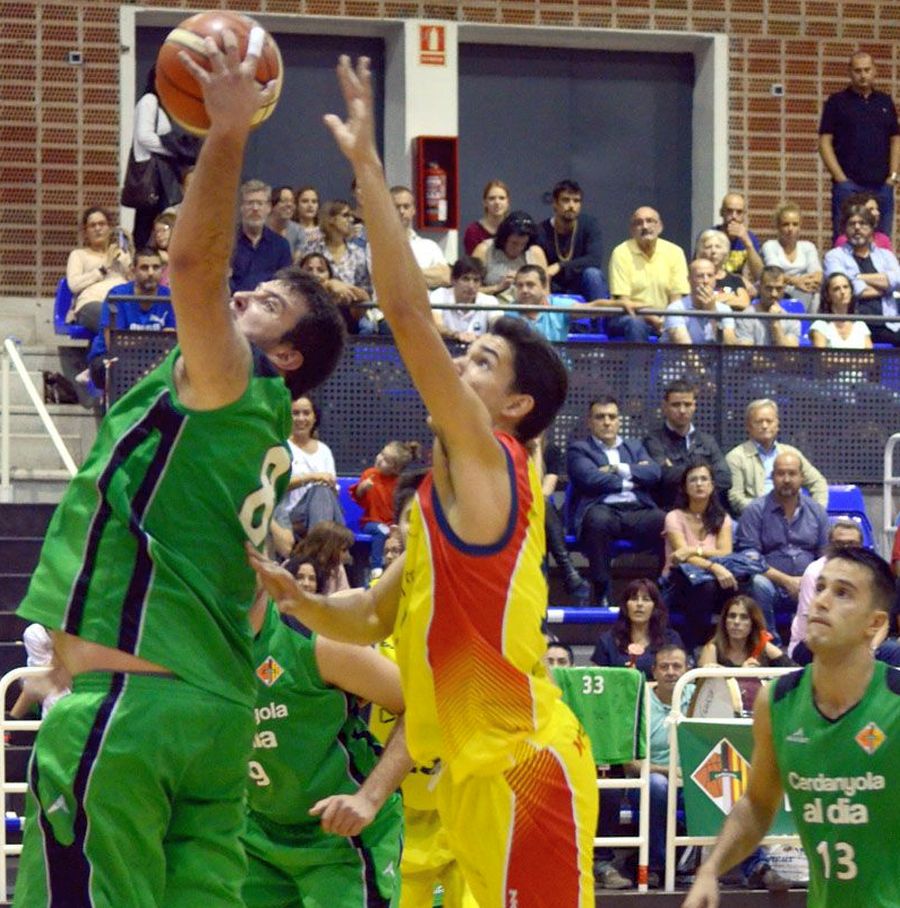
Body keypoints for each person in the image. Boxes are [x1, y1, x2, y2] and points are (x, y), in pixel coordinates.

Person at [248, 56, 598, 908]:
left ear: (512, 405)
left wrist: (368, 169)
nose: (458, 363)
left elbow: (406, 316)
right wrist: (287, 597)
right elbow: (370, 616)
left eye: (479, 359)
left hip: (522, 766)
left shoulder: (491, 461)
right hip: (464, 773)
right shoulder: (440, 515)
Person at [12, 31, 345, 907]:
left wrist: (227, 132)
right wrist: (72, 660)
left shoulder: (234, 382)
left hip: (139, 719)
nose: (242, 298)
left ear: (290, 357)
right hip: (213, 720)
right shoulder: (266, 436)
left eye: (266, 302)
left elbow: (194, 266)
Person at [683, 547, 900, 908]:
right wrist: (711, 869)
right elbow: (757, 804)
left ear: (875, 624)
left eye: (843, 593)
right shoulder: (778, 702)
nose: (822, 601)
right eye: (822, 587)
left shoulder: (895, 701)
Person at [242, 582, 410, 908]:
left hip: (343, 837)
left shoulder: (316, 640)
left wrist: (369, 798)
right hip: (258, 835)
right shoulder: (202, 653)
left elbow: (419, 705)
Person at [567, 396, 665, 606]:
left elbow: (654, 473)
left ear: (619, 420)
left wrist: (617, 469)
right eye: (600, 417)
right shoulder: (579, 449)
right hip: (602, 509)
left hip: (637, 510)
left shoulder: (634, 446)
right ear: (589, 422)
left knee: (666, 521)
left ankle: (663, 589)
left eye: (612, 417)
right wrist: (633, 480)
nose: (607, 422)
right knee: (597, 521)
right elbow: (590, 479)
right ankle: (601, 591)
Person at [734, 452, 831, 641]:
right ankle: (771, 646)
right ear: (772, 477)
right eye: (780, 474)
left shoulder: (817, 512)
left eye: (792, 474)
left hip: (809, 583)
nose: (786, 479)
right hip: (771, 583)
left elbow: (826, 556)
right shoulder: (755, 510)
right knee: (757, 584)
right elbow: (749, 558)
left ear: (802, 477)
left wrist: (807, 580)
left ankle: (814, 644)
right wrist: (787, 581)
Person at [818, 50, 900, 240]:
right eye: (857, 70)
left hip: (882, 187)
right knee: (844, 241)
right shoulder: (837, 103)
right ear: (849, 72)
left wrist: (893, 177)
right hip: (849, 187)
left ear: (875, 71)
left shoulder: (885, 102)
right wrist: (841, 180)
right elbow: (824, 142)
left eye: (867, 70)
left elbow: (895, 139)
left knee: (881, 242)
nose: (863, 75)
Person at [662, 459, 737, 653]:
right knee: (705, 587)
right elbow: (681, 557)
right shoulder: (674, 517)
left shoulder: (722, 518)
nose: (699, 484)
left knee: (744, 585)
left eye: (704, 479)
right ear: (685, 488)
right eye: (693, 480)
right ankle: (695, 647)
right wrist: (713, 566)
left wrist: (694, 550)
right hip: (680, 581)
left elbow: (725, 552)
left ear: (712, 486)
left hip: (716, 579)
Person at [86, 247, 174, 390]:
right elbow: (115, 343)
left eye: (156, 267)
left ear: (162, 270)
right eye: (144, 268)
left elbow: (171, 342)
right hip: (112, 357)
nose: (151, 273)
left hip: (151, 359)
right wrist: (156, 340)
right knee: (121, 367)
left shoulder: (169, 298)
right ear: (133, 271)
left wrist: (135, 340)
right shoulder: (117, 296)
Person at [725, 398, 828, 515]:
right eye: (759, 422)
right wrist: (769, 512)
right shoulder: (736, 457)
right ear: (748, 426)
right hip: (758, 520)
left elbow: (818, 483)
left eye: (769, 421)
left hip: (794, 517)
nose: (764, 426)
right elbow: (736, 499)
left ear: (777, 425)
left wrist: (815, 513)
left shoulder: (791, 454)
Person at [643, 379, 731, 512]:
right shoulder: (653, 441)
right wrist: (705, 476)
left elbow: (725, 479)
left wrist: (677, 472)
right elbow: (663, 477)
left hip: (707, 513)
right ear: (665, 406)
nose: (682, 410)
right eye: (676, 405)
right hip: (669, 512)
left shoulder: (708, 441)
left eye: (687, 404)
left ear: (694, 406)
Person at [270, 395, 343, 556]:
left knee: (323, 493)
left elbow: (332, 489)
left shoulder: (324, 450)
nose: (301, 418)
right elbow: (275, 485)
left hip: (322, 510)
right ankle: (325, 553)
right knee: (320, 490)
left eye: (306, 413)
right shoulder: (280, 446)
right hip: (291, 515)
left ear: (314, 417)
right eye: (295, 413)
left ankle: (318, 552)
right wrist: (312, 477)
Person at [607, 206, 690, 341]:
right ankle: (638, 363)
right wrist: (652, 319)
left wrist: (666, 319)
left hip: (666, 317)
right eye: (638, 223)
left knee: (685, 322)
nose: (645, 226)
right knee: (636, 323)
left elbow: (677, 299)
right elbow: (624, 301)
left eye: (650, 221)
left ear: (660, 227)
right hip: (629, 315)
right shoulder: (621, 252)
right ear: (632, 230)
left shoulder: (675, 252)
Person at [823, 203, 900, 346]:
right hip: (853, 324)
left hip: (888, 324)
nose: (857, 228)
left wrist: (859, 277)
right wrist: (886, 287)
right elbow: (852, 289)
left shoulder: (886, 256)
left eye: (862, 223)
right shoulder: (834, 257)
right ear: (845, 229)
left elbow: (897, 281)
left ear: (871, 228)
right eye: (852, 224)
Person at [128, 65, 188, 248]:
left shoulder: (162, 106)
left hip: (159, 178)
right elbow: (144, 137)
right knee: (147, 228)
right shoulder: (149, 101)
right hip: (150, 177)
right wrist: (174, 149)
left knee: (157, 225)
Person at [788, 519, 864, 662]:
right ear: (830, 546)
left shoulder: (869, 574)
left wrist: (871, 647)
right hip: (814, 642)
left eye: (852, 544)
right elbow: (811, 623)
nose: (846, 549)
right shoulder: (814, 573)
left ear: (861, 547)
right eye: (839, 544)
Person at [350, 440, 421, 574]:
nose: (380, 459)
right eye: (381, 454)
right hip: (371, 522)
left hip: (391, 524)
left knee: (404, 534)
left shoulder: (399, 483)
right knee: (381, 531)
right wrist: (362, 488)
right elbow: (358, 497)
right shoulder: (369, 474)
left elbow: (400, 508)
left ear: (396, 469)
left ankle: (404, 570)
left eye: (386, 460)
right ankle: (376, 567)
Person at [591, 578, 683, 679]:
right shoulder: (607, 641)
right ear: (626, 605)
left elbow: (678, 678)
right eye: (634, 598)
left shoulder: (671, 639)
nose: (639, 604)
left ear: (655, 607)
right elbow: (598, 682)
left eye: (646, 599)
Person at [536, 179, 609, 301]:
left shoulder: (589, 225)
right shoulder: (541, 231)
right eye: (566, 200)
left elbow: (594, 259)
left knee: (593, 274)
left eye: (576, 201)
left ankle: (601, 318)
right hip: (553, 285)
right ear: (555, 203)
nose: (571, 206)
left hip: (581, 282)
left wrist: (560, 266)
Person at [65, 206, 133, 333]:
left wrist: (126, 265)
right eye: (92, 225)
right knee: (110, 318)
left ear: (109, 228)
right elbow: (73, 285)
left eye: (102, 224)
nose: (97, 229)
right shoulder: (78, 255)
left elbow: (136, 284)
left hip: (122, 304)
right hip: (91, 304)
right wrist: (103, 269)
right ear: (86, 232)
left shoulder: (119, 254)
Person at [508, 264, 606, 341]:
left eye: (530, 285)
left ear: (544, 286)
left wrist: (620, 304)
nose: (524, 290)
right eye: (520, 285)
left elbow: (593, 309)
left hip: (556, 365)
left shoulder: (558, 305)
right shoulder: (508, 313)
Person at [229, 178, 293, 293]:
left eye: (260, 203)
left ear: (268, 208)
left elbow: (285, 284)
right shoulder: (226, 243)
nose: (255, 208)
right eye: (250, 203)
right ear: (241, 207)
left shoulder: (281, 246)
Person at [698, 595, 793, 669]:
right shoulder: (712, 649)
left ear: (753, 623)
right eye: (732, 616)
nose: (736, 622)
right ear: (724, 621)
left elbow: (794, 671)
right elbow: (704, 688)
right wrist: (742, 673)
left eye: (744, 617)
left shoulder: (764, 647)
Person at [473, 210, 548, 301]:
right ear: (504, 239)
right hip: (493, 307)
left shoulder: (536, 253)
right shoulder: (484, 250)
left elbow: (545, 292)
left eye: (523, 244)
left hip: (527, 307)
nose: (518, 248)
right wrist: (497, 287)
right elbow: (469, 290)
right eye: (514, 243)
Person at [760, 203, 823, 311]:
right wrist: (797, 282)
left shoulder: (808, 247)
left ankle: (808, 322)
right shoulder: (770, 246)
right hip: (779, 292)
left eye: (795, 224)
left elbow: (817, 275)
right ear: (778, 227)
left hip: (805, 291)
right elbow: (775, 274)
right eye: (785, 224)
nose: (790, 229)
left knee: (814, 292)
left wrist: (797, 281)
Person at [662, 258, 738, 345]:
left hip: (713, 358)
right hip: (680, 358)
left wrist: (713, 314)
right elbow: (686, 350)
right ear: (689, 280)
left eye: (710, 275)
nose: (706, 281)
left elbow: (730, 346)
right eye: (700, 276)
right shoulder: (676, 309)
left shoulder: (724, 310)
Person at [389, 185, 451, 288]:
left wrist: (409, 273)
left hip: (422, 303)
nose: (402, 211)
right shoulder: (376, 245)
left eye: (406, 206)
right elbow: (391, 278)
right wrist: (428, 275)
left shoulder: (429, 246)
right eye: (396, 207)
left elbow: (446, 277)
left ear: (413, 210)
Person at [429, 256, 501, 343]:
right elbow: (436, 325)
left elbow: (499, 327)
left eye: (476, 280)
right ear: (453, 280)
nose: (471, 286)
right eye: (466, 279)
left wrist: (480, 338)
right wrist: (456, 335)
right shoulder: (439, 295)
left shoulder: (489, 301)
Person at [734, 266, 801, 347]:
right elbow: (746, 354)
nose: (774, 294)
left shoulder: (792, 321)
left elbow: (790, 356)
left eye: (779, 289)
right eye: (769, 288)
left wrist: (776, 324)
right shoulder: (745, 317)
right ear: (759, 288)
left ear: (784, 289)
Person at [809, 272, 872, 349]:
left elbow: (870, 358)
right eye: (836, 289)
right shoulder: (820, 326)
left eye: (845, 287)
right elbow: (820, 358)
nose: (842, 292)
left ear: (851, 292)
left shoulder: (860, 325)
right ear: (828, 296)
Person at [710, 193, 764, 282]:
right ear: (721, 212)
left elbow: (759, 275)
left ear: (744, 215)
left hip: (737, 289)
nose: (734, 216)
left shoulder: (749, 238)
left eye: (739, 212)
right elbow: (699, 270)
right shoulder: (710, 236)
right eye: (729, 211)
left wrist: (747, 243)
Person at [694, 229, 751, 312]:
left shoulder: (735, 280)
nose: (713, 251)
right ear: (701, 251)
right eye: (708, 247)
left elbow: (744, 302)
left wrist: (714, 300)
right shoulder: (697, 278)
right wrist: (730, 296)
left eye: (718, 247)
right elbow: (698, 301)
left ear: (725, 251)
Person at [463, 179, 511, 254]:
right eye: (492, 198)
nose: (497, 202)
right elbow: (473, 263)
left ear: (508, 202)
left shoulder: (514, 230)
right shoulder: (473, 231)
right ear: (485, 203)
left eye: (501, 198)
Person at [266, 185, 305, 261]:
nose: (289, 205)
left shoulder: (298, 231)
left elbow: (296, 261)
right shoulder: (259, 228)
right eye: (284, 201)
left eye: (292, 201)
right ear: (272, 205)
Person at [149, 211, 176, 287]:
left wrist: (169, 260)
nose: (159, 235)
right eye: (157, 232)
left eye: (163, 230)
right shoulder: (156, 255)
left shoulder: (183, 252)